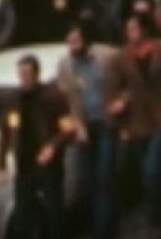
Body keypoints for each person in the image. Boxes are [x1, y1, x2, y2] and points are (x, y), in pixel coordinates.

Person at [111, 13, 161, 237]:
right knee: (151, 174)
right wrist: (119, 113)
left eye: (134, 28)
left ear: (144, 30)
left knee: (152, 169)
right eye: (128, 29)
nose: (130, 33)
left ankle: (160, 220)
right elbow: (115, 89)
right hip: (137, 121)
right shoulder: (121, 58)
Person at [56, 23, 120, 239]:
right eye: (70, 42)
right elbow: (67, 100)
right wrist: (78, 126)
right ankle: (98, 225)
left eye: (77, 41)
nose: (73, 46)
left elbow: (126, 81)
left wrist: (121, 101)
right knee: (90, 180)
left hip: (106, 121)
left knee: (105, 175)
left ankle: (105, 231)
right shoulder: (66, 65)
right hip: (84, 124)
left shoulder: (105, 57)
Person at [0, 54, 71, 238]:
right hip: (24, 162)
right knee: (23, 213)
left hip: (48, 162)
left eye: (27, 74)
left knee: (54, 210)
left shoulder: (53, 97)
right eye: (21, 74)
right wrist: (1, 164)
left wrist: (52, 146)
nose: (23, 78)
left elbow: (68, 129)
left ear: (36, 74)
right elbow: (5, 133)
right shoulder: (13, 100)